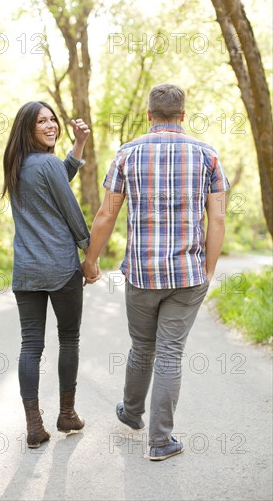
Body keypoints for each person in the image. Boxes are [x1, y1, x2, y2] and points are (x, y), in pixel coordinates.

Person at [82, 83, 229, 461]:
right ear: (183, 116)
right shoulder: (207, 156)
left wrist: (91, 260)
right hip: (187, 273)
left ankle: (132, 412)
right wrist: (209, 270)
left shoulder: (127, 154)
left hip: (142, 274)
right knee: (169, 353)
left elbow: (106, 214)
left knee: (143, 347)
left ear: (149, 115)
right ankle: (161, 441)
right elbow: (218, 218)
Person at [2, 101, 97, 448]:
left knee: (30, 346)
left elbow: (54, 179)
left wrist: (79, 146)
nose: (50, 124)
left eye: (52, 119)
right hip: (60, 267)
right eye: (41, 121)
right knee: (68, 339)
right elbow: (69, 207)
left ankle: (33, 425)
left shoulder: (16, 164)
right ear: (27, 128)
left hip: (26, 271)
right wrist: (90, 251)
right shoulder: (46, 164)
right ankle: (67, 414)